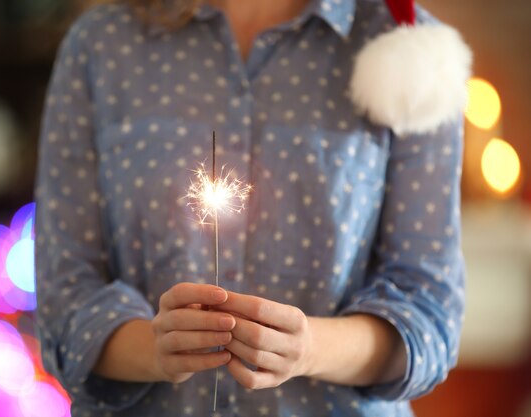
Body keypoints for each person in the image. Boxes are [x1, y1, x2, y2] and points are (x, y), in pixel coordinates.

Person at [34, 0, 467, 415]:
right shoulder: (103, 45)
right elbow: (65, 298)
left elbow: (428, 311)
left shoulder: (412, 53)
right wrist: (153, 349)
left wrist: (309, 348)